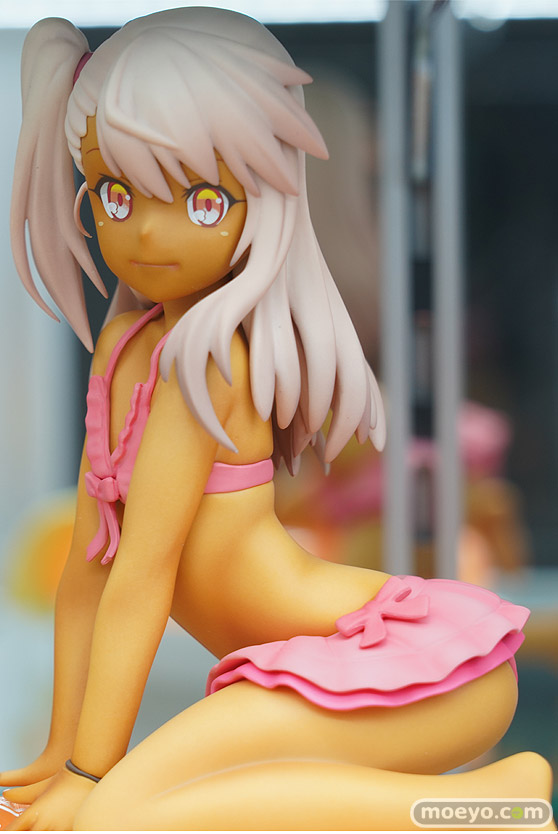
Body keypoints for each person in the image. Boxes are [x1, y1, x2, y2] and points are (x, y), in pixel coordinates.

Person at [1, 8, 552, 831]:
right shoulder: (126, 344)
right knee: (128, 811)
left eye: (201, 199)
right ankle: (497, 800)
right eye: (116, 194)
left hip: (412, 667)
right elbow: (89, 570)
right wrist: (60, 757)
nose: (146, 230)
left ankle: (494, 810)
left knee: (116, 817)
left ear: (263, 196)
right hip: (317, 668)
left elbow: (143, 575)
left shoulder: (209, 359)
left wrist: (90, 771)